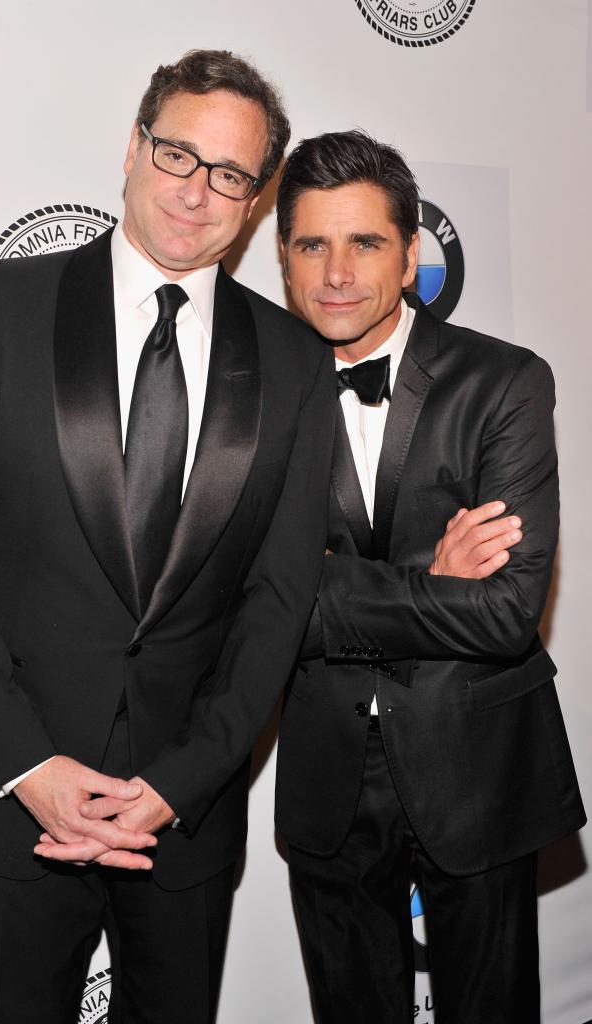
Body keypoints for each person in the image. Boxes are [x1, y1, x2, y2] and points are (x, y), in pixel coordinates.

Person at [0, 50, 336, 1024]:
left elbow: (277, 601)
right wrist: (28, 766)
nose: (196, 190)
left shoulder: (299, 365)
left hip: (183, 825)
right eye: (178, 154)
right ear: (132, 148)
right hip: (11, 806)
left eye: (230, 173)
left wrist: (176, 784)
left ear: (256, 200)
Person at [274, 130, 585, 1024]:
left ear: (412, 255)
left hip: (477, 759)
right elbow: (253, 603)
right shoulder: (248, 401)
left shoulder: (505, 383)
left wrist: (324, 587)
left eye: (364, 242)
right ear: (284, 259)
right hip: (328, 767)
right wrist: (431, 577)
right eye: (311, 245)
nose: (336, 272)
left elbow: (504, 613)